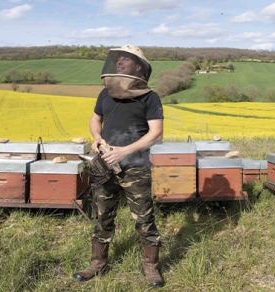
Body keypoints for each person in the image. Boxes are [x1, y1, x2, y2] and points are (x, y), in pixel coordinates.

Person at [73, 45, 165, 288]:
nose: (121, 61)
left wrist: (124, 151)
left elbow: (156, 134)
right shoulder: (105, 94)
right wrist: (97, 138)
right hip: (105, 166)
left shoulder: (149, 97)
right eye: (118, 58)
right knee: (101, 215)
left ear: (139, 66)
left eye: (127, 58)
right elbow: (96, 119)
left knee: (144, 218)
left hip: (135, 168)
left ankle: (151, 267)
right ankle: (97, 263)